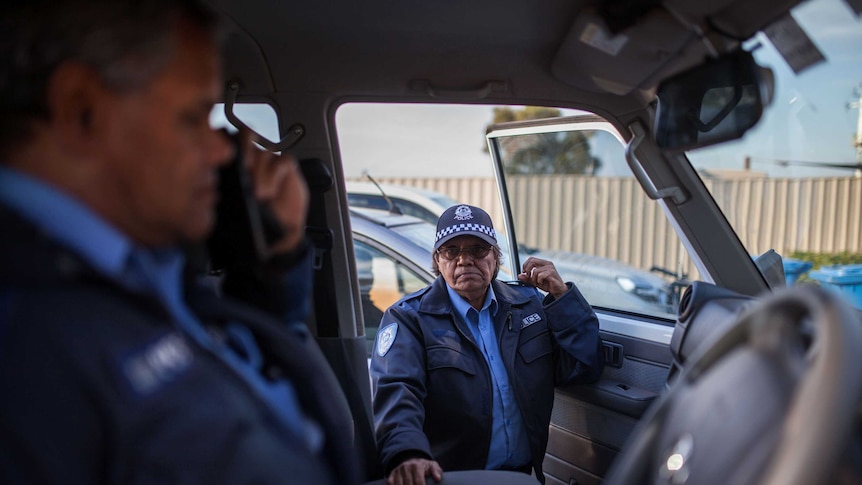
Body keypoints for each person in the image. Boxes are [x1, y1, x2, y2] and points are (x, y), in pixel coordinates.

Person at [0, 1, 358, 484]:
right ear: (81, 109)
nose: (219, 149)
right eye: (193, 117)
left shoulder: (137, 270)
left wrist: (275, 261)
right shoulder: (24, 336)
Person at [370, 204, 604, 485]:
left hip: (521, 476)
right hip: (451, 479)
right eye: (451, 251)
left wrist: (561, 297)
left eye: (478, 249)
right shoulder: (409, 318)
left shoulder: (527, 305)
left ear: (495, 257)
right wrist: (407, 454)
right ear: (438, 260)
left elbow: (583, 366)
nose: (465, 260)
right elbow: (398, 392)